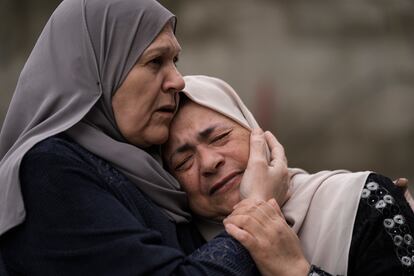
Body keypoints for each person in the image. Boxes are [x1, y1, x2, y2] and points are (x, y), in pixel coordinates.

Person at [0, 1, 291, 275]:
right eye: (155, 61)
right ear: (100, 70)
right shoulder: (48, 172)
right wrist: (257, 207)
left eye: (175, 60)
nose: (177, 80)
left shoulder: (147, 177)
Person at [163, 75, 414, 276]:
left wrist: (294, 270)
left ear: (256, 135)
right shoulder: (176, 251)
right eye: (183, 161)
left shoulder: (359, 203)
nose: (209, 162)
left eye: (220, 137)